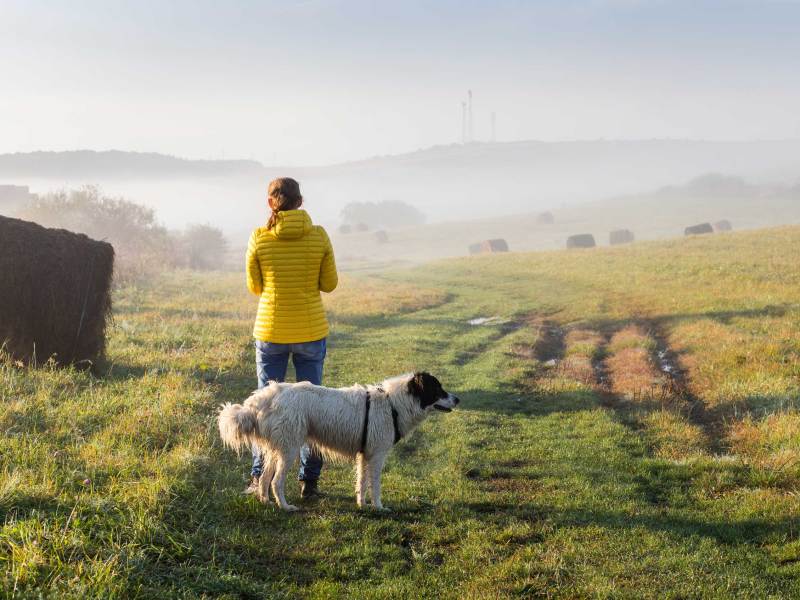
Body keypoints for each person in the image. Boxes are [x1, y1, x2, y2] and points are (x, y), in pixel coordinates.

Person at [244, 177, 338, 499]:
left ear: (271, 202)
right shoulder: (319, 235)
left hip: (270, 332)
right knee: (315, 410)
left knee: (264, 408)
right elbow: (329, 283)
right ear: (300, 201)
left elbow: (255, 287)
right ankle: (309, 483)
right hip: (310, 332)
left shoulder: (259, 237)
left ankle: (259, 478)